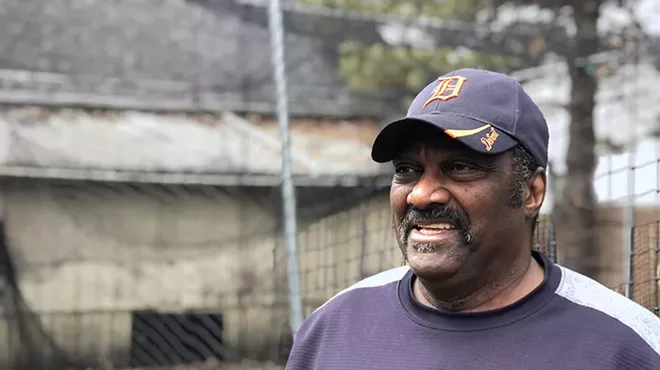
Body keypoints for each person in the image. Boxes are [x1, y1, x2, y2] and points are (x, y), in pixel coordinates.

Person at [284, 68, 660, 370]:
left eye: (460, 167)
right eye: (407, 170)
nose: (421, 194)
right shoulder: (331, 330)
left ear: (531, 192)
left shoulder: (625, 347)